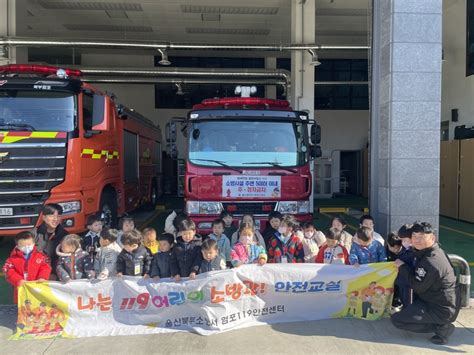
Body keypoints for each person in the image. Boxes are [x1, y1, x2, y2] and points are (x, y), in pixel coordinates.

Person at [391, 222, 458, 345]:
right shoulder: (429, 251)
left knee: (397, 320)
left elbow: (417, 286)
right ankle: (439, 323)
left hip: (440, 308)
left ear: (432, 238)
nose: (416, 240)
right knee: (405, 313)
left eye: (421, 237)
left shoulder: (432, 261)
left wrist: (402, 267)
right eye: (414, 237)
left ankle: (442, 327)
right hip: (432, 300)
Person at [2, 231, 51, 303]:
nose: (27, 247)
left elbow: (45, 267)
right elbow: (8, 271)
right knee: (24, 309)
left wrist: (42, 277)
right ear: (17, 246)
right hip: (21, 289)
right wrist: (18, 280)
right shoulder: (12, 259)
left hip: (38, 288)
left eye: (29, 244)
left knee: (38, 305)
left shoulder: (41, 256)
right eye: (23, 246)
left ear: (34, 243)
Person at [31, 204, 68, 271]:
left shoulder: (65, 236)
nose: (55, 219)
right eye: (51, 216)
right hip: (36, 271)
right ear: (44, 217)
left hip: (59, 274)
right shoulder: (33, 234)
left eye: (58, 216)